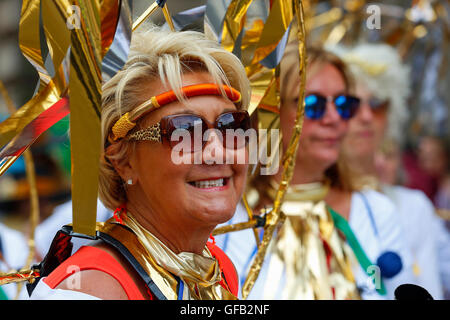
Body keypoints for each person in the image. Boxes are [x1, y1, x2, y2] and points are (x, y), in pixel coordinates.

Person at [28, 25, 251, 300]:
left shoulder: (217, 269)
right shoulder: (90, 290)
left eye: (232, 126)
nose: (218, 150)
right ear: (122, 161)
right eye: (185, 130)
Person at [217, 42, 413, 300]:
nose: (333, 118)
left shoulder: (377, 212)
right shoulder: (226, 216)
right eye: (313, 104)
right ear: (270, 113)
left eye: (344, 104)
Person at [328, 43, 447, 299]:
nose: (367, 116)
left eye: (378, 104)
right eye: (352, 104)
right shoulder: (299, 198)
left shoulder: (414, 207)